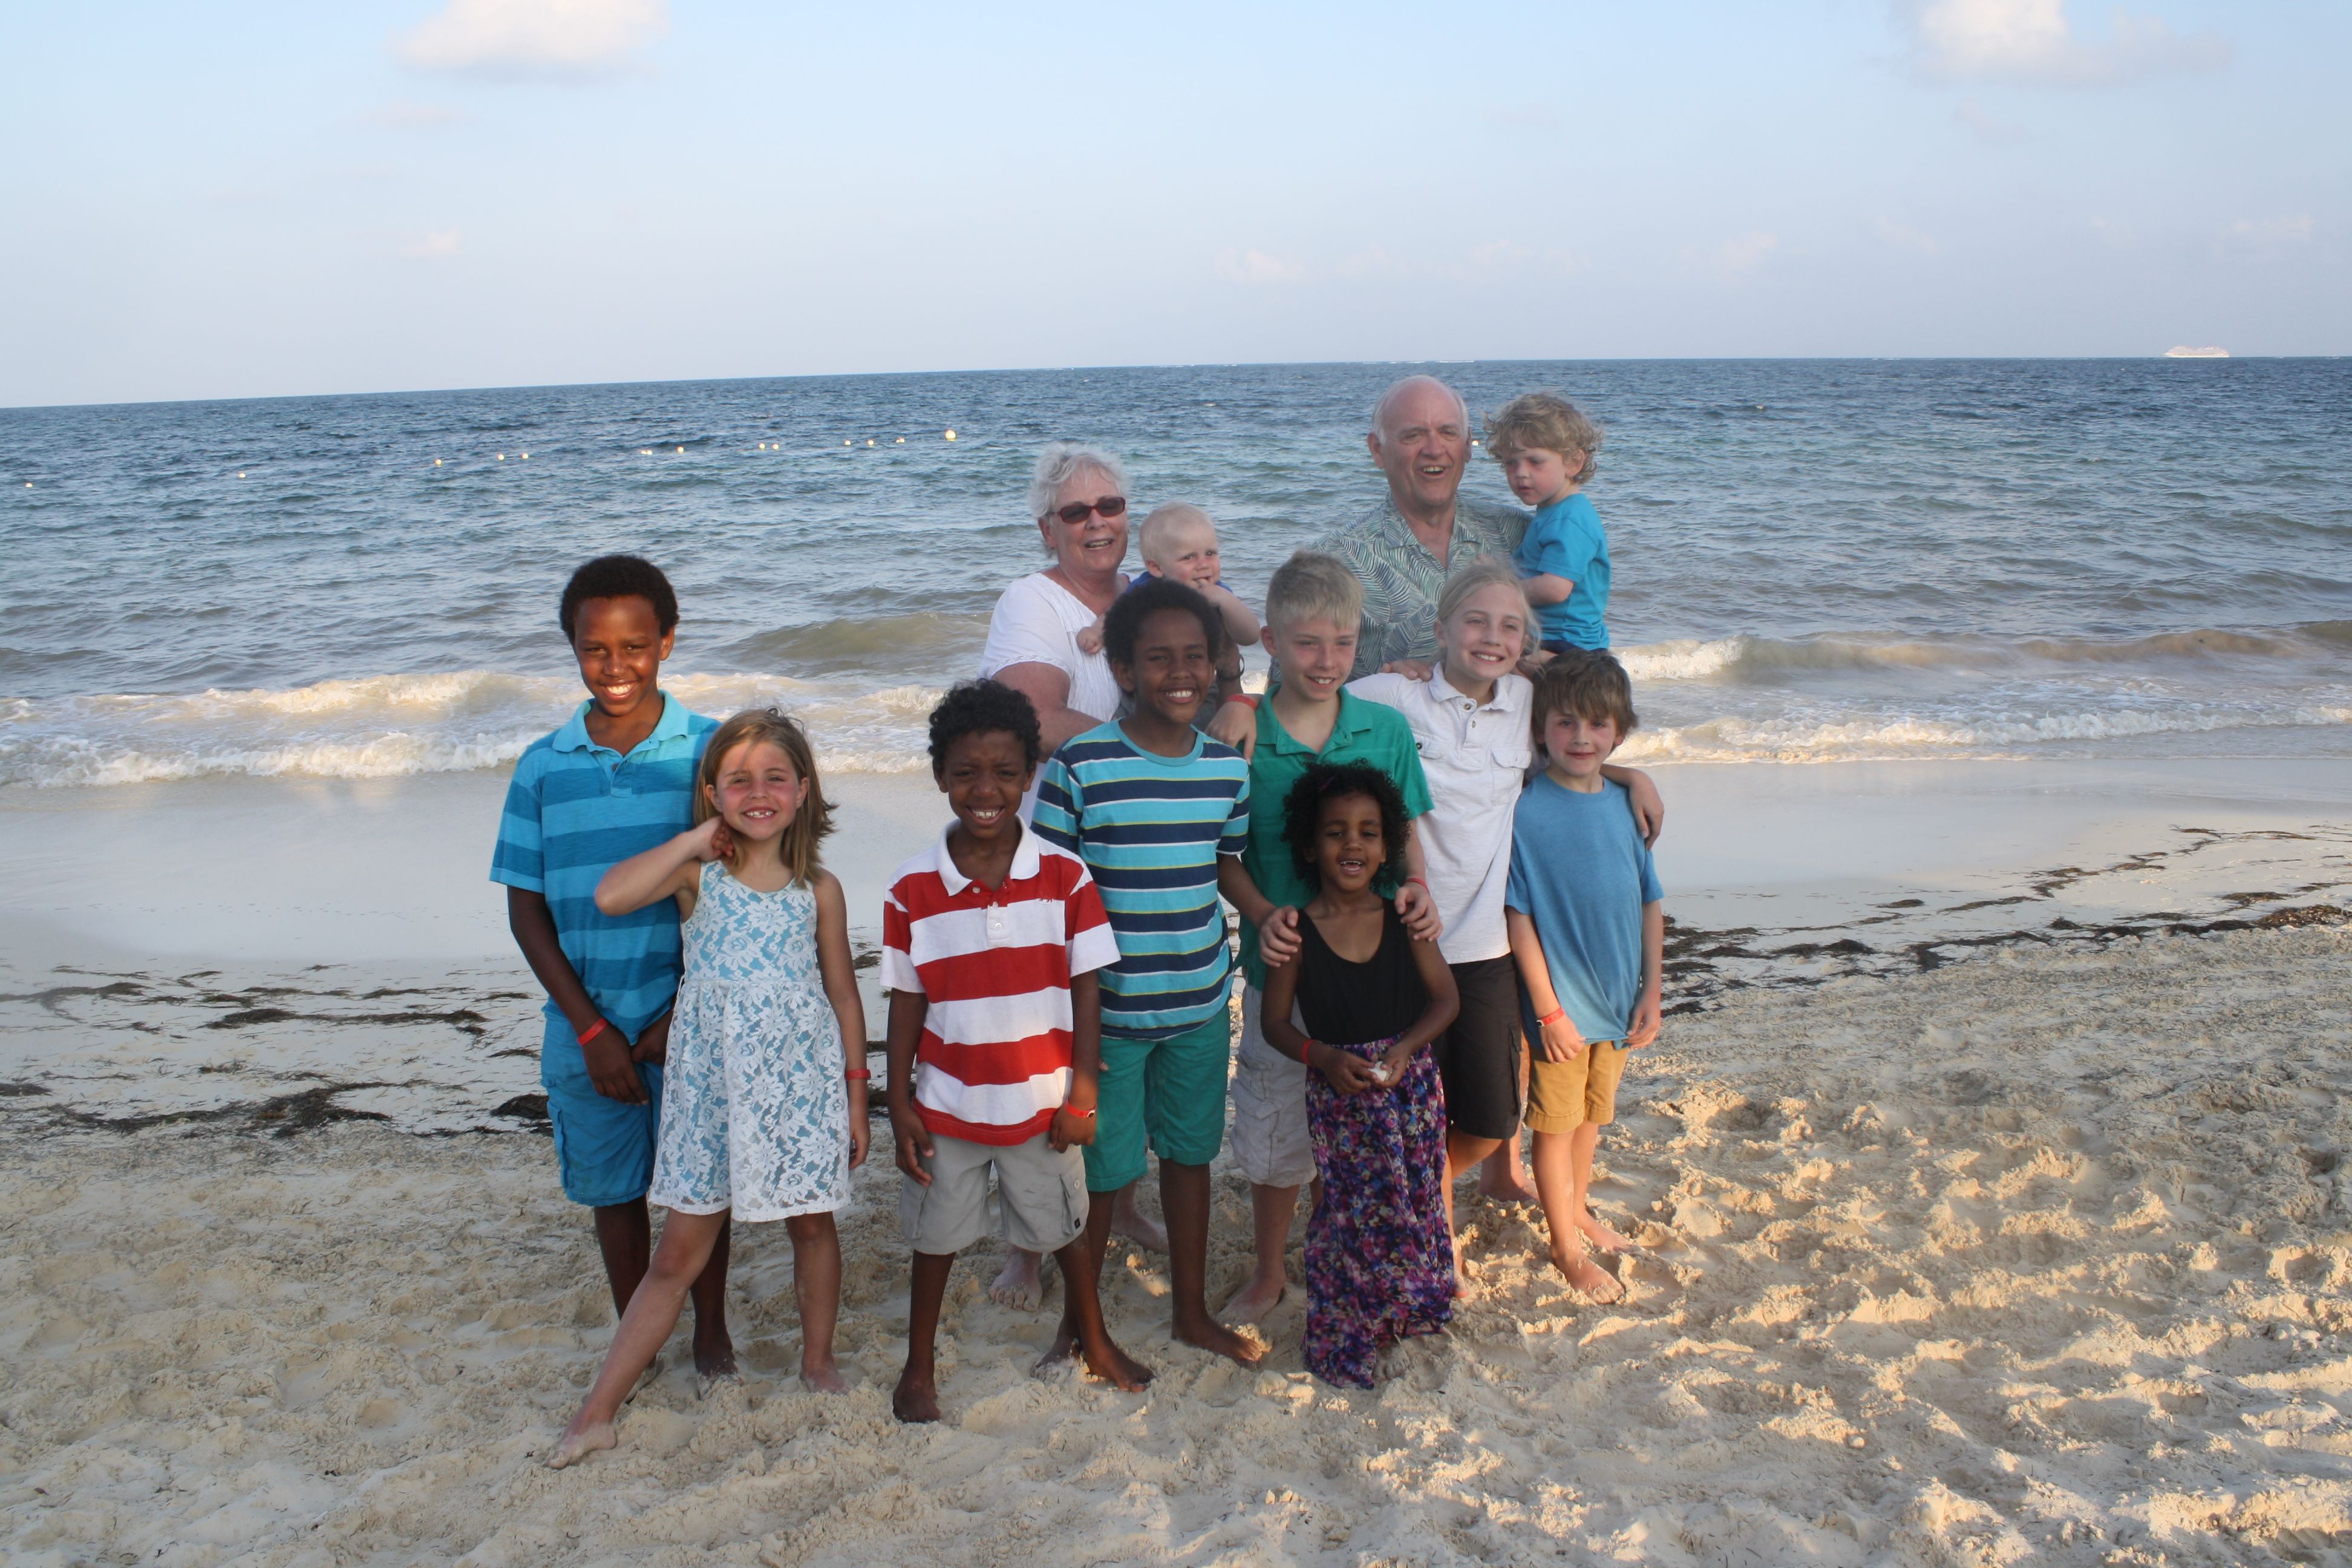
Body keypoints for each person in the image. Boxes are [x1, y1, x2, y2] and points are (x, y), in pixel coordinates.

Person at [546, 708, 870, 1466]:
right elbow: (611, 896)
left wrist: (857, 1095)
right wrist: (694, 840)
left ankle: (817, 1361)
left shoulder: (819, 889)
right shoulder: (700, 880)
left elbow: (844, 995)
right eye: (739, 781)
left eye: (775, 778)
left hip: (798, 1086)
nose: (759, 793)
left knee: (813, 1227)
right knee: (677, 1254)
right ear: (713, 793)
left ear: (803, 789)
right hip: (712, 1092)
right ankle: (596, 1412)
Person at [489, 555, 735, 1379]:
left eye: (634, 646)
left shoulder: (710, 752)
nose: (615, 665)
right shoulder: (542, 767)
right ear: (572, 648)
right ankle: (644, 1341)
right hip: (584, 1025)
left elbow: (740, 894)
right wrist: (592, 1030)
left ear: (667, 641)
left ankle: (711, 1333)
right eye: (595, 649)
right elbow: (527, 912)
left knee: (699, 1187)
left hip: (689, 1016)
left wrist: (684, 1011)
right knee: (614, 1191)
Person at [883, 681, 1151, 1422]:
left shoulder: (1065, 877)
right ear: (939, 774)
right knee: (934, 1241)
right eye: (966, 772)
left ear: (1031, 774)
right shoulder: (911, 888)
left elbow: (1089, 989)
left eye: (1005, 772)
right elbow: (906, 1002)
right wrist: (899, 1102)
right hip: (948, 1105)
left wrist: (1084, 1093)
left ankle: (1094, 1340)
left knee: (1064, 1231)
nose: (986, 790)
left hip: (1042, 1105)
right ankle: (918, 1367)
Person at [1033, 577, 1268, 1368]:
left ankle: (1190, 1314)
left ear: (1216, 664)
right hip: (1107, 1016)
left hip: (1200, 1003)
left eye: (1195, 657)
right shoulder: (1081, 764)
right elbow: (1051, 894)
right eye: (1158, 658)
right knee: (1102, 1175)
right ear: (1124, 671)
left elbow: (1224, 864)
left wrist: (1265, 914)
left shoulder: (1225, 770)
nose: (1180, 673)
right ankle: (1079, 1325)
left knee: (1192, 1158)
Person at [1209, 552, 1439, 1327]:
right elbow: (1223, 854)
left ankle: (1337, 1248)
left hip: (1371, 968)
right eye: (1307, 643)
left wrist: (1417, 888)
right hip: (1279, 966)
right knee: (1276, 1124)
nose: (1326, 660)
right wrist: (1261, 913)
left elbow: (1404, 838)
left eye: (1343, 642)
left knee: (1360, 1123)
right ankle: (1270, 1269)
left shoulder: (1385, 729)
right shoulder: (1244, 733)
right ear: (1272, 641)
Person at [977, 441, 1168, 1300]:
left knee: (1119, 1040)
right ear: (1046, 528)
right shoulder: (1034, 601)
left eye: (1111, 506)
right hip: (1045, 857)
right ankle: (1027, 1241)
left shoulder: (1147, 597)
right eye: (1076, 511)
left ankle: (1119, 1203)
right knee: (1042, 1047)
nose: (1098, 522)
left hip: (1133, 855)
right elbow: (1034, 714)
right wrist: (1151, 753)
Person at [1346, 560, 1539, 1251]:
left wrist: (1632, 776)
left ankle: (1417, 1198)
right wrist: (1242, 706)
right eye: (1475, 622)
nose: (1491, 638)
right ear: (1441, 629)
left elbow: (1589, 727)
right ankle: (1431, 1227)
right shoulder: (1393, 696)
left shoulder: (1527, 700)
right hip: (1404, 947)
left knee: (1492, 1119)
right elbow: (1307, 693)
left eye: (1509, 627)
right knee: (1404, 1108)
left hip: (1485, 947)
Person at [1259, 763, 1460, 1387]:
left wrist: (1405, 1050)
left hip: (1411, 1089)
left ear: (1387, 846)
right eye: (1336, 833)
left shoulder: (1406, 918)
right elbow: (1274, 1024)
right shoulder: (1296, 931)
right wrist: (1321, 1057)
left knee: (1417, 1198)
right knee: (1348, 1213)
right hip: (1340, 1096)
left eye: (1369, 833)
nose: (1353, 845)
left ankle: (1413, 1306)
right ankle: (1349, 1327)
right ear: (1308, 845)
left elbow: (1446, 1000)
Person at [1505, 653, 1665, 1305]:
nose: (1580, 737)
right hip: (1563, 1010)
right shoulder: (1525, 810)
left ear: (1619, 734)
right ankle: (1564, 1248)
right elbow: (1518, 918)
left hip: (1620, 1002)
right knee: (1554, 1125)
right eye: (1566, 722)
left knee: (1591, 1120)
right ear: (1541, 729)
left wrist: (1652, 991)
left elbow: (1650, 901)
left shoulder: (1627, 804)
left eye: (1597, 725)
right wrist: (1547, 1011)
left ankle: (1576, 1210)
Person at [1315, 374, 1533, 680]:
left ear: (1467, 446)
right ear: (1377, 450)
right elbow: (1287, 694)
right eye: (1413, 436)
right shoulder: (1332, 564)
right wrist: (1384, 683)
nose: (1434, 449)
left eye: (1448, 433)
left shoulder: (1524, 537)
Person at [1077, 502, 1260, 713]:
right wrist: (1096, 631)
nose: (1203, 564)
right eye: (1188, 557)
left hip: (1200, 686)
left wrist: (1225, 600)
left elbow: (1250, 636)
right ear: (1156, 567)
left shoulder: (1217, 594)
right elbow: (1117, 615)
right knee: (1127, 720)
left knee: (1205, 725)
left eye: (1210, 553)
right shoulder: (1148, 590)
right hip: (1146, 686)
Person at [1489, 393, 1610, 656]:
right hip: (1556, 637)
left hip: (1566, 643)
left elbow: (1555, 589)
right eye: (1511, 463)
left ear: (1573, 463)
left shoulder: (1570, 518)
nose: (1521, 473)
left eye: (1535, 462)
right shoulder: (1554, 511)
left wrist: (1499, 590)